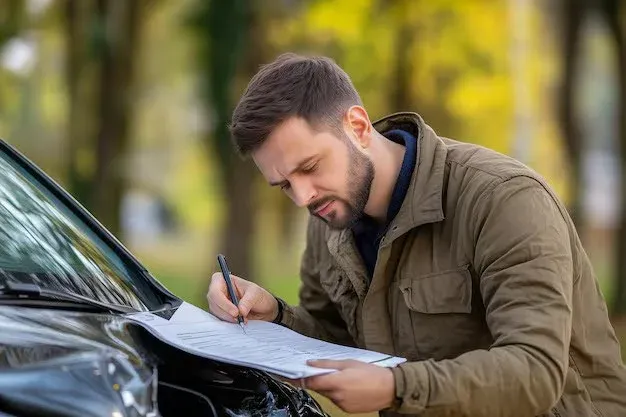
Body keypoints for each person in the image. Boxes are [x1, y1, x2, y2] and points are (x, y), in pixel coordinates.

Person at [206, 52, 626, 416]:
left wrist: (395, 386)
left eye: (309, 167)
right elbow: (336, 339)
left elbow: (536, 371)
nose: (302, 197)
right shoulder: (329, 218)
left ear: (357, 126)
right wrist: (275, 315)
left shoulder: (503, 200)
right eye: (283, 185)